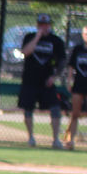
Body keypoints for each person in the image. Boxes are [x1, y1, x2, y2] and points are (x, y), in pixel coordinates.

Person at [18, 13, 67, 149]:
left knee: (55, 108)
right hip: (30, 80)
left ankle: (56, 139)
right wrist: (38, 36)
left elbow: (62, 61)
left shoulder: (56, 41)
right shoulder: (29, 37)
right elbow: (25, 52)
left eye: (46, 25)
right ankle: (31, 138)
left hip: (47, 82)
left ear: (50, 25)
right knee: (28, 109)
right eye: (41, 24)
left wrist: (55, 76)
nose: (43, 27)